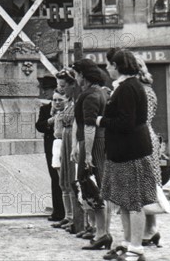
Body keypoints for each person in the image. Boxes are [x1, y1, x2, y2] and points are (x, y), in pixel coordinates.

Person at [97, 49, 157, 261]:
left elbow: (126, 122)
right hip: (124, 153)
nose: (107, 68)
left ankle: (136, 248)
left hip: (130, 152)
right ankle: (128, 242)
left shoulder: (127, 88)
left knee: (133, 203)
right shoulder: (127, 87)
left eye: (109, 64)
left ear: (117, 66)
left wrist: (100, 121)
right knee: (124, 202)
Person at [72, 59, 110, 250]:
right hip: (95, 145)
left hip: (93, 145)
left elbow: (89, 126)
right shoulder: (97, 92)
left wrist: (87, 154)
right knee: (94, 188)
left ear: (83, 76)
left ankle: (102, 233)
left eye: (77, 74)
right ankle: (100, 232)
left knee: (93, 188)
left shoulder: (90, 96)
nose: (76, 78)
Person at [134, 55, 162, 249]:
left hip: (143, 139)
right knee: (146, 183)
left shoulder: (146, 92)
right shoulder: (140, 90)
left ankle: (150, 229)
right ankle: (151, 229)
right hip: (141, 137)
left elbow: (144, 118)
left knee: (147, 183)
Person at [52, 68, 84, 234]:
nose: (61, 88)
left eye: (63, 85)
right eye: (59, 85)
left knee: (73, 179)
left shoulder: (77, 102)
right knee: (65, 180)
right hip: (65, 140)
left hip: (72, 140)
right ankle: (69, 216)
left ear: (72, 84)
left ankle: (77, 219)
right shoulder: (67, 102)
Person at [35, 74, 65, 222]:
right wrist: (50, 121)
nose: (45, 93)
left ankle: (68, 211)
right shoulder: (46, 108)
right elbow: (39, 125)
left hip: (65, 143)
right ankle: (58, 211)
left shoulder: (66, 105)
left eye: (47, 89)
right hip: (51, 145)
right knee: (55, 177)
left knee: (66, 177)